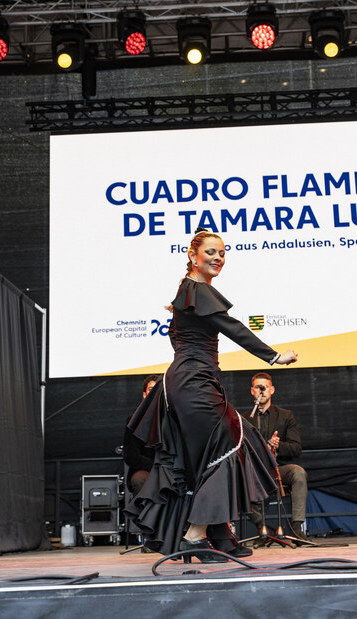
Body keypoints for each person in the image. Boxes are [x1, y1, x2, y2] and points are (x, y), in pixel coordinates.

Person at [125, 227, 297, 562]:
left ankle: (220, 537)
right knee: (228, 445)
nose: (218, 258)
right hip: (193, 382)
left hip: (189, 380)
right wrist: (274, 357)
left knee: (208, 456)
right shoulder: (196, 290)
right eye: (211, 252)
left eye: (222, 253)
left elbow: (185, 334)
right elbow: (233, 328)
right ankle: (194, 535)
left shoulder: (188, 291)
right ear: (193, 256)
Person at [242, 372, 309, 544]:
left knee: (298, 473)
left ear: (272, 390)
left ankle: (297, 528)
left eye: (264, 387)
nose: (261, 391)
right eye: (258, 387)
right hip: (256, 471)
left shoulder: (285, 415)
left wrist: (277, 445)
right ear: (252, 391)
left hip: (279, 468)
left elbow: (296, 448)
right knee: (238, 478)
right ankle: (261, 528)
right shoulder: (245, 419)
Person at [123, 374, 161, 495]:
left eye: (158, 390)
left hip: (168, 470)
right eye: (151, 390)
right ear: (145, 395)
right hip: (144, 470)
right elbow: (131, 456)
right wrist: (155, 466)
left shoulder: (171, 419)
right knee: (141, 480)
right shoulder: (134, 421)